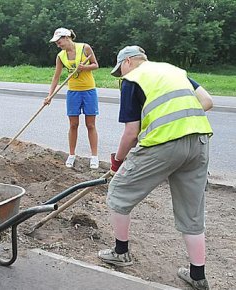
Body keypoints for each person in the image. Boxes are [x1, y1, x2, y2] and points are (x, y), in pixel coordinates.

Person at [98, 45, 213, 290]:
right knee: (192, 212)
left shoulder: (133, 78)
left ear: (128, 62)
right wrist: (177, 117)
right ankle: (197, 276)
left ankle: (120, 253)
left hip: (165, 143)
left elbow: (131, 132)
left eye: (120, 70)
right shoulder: (173, 70)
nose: (121, 75)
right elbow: (207, 101)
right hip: (200, 141)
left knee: (118, 192)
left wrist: (117, 163)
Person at [44, 27, 100, 169]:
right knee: (73, 125)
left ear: (67, 37)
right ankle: (72, 154)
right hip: (73, 92)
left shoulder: (84, 48)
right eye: (56, 42)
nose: (58, 44)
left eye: (59, 41)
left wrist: (85, 67)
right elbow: (56, 77)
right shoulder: (60, 56)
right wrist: (50, 95)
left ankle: (94, 156)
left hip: (89, 91)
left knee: (90, 125)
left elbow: (96, 65)